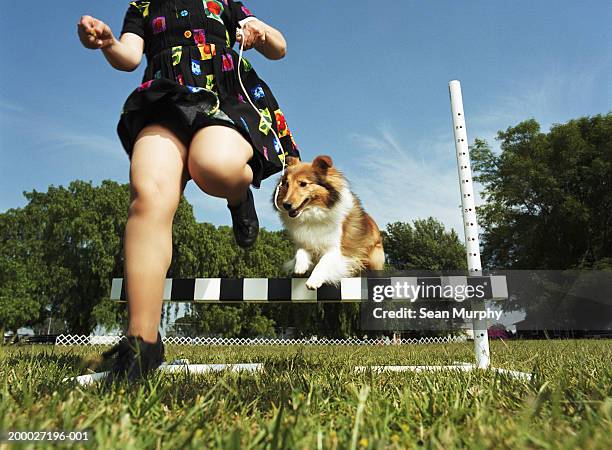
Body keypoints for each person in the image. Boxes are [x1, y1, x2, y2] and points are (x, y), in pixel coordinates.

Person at [77, 0, 301, 384]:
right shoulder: (142, 6)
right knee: (147, 194)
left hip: (220, 98)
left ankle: (237, 196)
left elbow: (279, 47)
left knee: (214, 166)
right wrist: (108, 42)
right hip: (164, 100)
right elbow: (130, 57)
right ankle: (142, 343)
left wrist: (261, 34)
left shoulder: (224, 3)